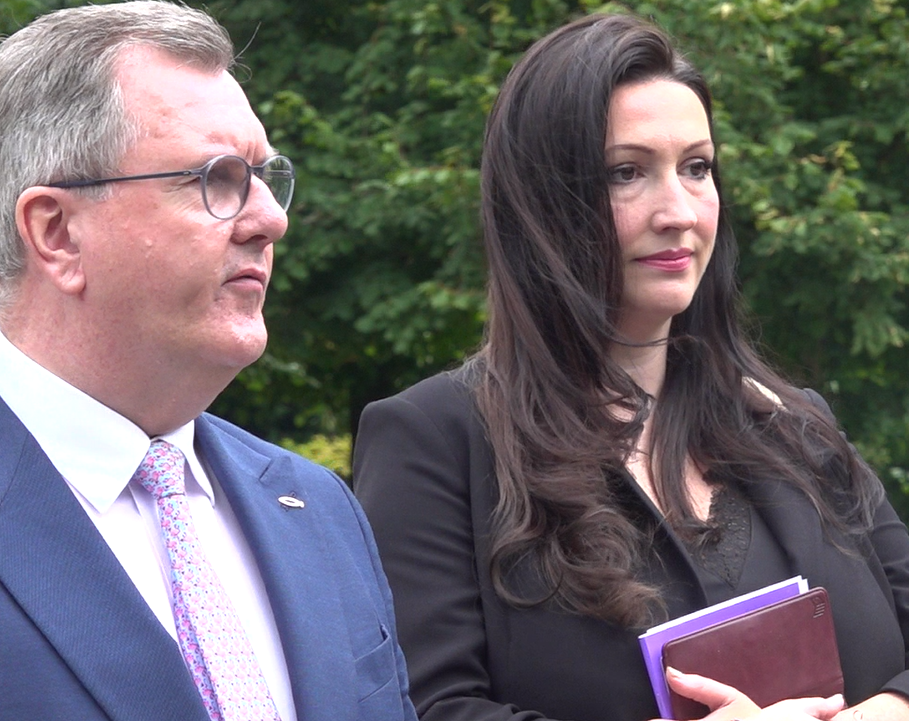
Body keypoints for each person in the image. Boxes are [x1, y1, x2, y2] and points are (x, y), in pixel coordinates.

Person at [0, 3, 416, 720]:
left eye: (264, 176)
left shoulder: (317, 507)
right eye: (217, 179)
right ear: (57, 233)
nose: (270, 218)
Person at [353, 12, 909, 721]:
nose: (676, 210)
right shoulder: (435, 440)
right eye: (626, 172)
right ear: (541, 202)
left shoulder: (793, 424)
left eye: (696, 168)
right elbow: (423, 708)